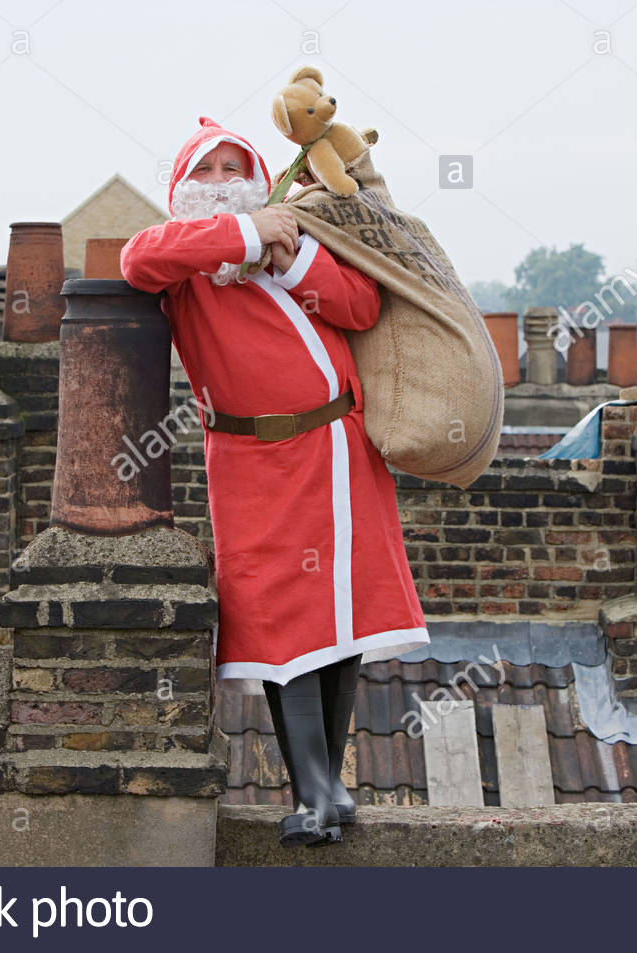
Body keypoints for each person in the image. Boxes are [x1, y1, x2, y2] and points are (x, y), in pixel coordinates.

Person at [121, 116, 429, 847]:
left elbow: (360, 304)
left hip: (341, 448)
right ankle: (315, 791)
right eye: (208, 169)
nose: (223, 179)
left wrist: (287, 256)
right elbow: (137, 259)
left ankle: (331, 791)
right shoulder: (190, 269)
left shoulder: (298, 249)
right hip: (256, 464)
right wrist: (249, 233)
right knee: (283, 623)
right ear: (183, 187)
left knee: (340, 613)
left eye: (236, 166)